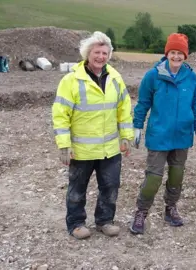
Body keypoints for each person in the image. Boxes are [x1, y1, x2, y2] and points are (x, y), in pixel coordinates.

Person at [51, 31, 134, 239]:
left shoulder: (115, 78)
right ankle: (76, 223)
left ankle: (105, 220)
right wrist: (64, 145)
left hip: (110, 149)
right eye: (97, 52)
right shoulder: (71, 80)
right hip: (82, 150)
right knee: (77, 189)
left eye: (105, 53)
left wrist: (126, 136)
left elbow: (124, 109)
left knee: (110, 187)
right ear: (88, 53)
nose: (101, 57)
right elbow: (60, 115)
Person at [130, 33, 196, 234]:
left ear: (185, 55)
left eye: (180, 53)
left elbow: (195, 104)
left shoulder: (191, 77)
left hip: (182, 135)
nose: (176, 57)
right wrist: (137, 126)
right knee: (154, 177)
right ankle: (141, 212)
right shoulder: (153, 75)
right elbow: (143, 103)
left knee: (177, 175)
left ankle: (170, 208)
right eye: (173, 52)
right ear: (167, 53)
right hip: (159, 136)